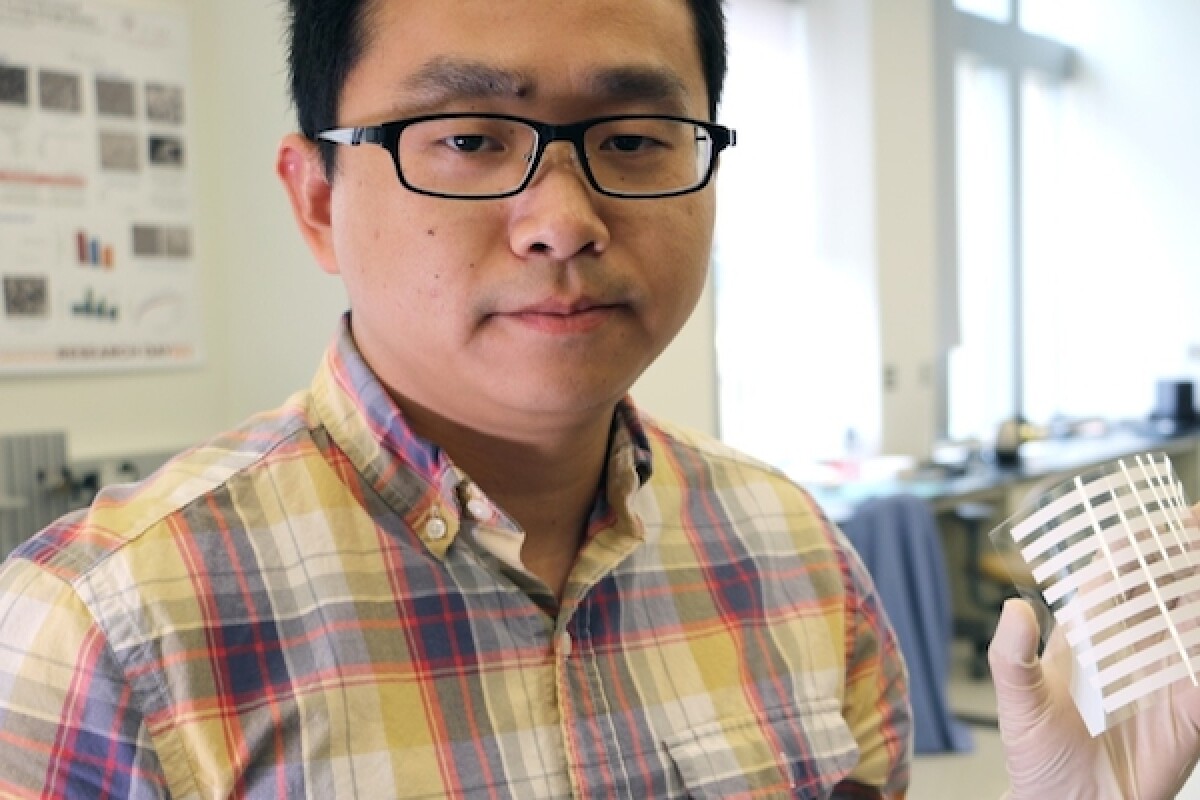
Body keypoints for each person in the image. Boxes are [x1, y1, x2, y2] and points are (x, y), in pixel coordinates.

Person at [0, 0, 1193, 797]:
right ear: (316, 198)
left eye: (632, 137)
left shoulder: (800, 558)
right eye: (467, 137)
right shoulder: (102, 629)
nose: (564, 218)